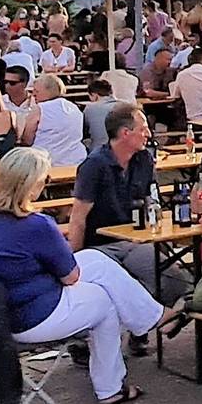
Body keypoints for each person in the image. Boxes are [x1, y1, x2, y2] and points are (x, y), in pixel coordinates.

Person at [0, 146, 172, 404]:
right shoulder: (35, 225)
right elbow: (70, 277)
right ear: (30, 186)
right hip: (26, 316)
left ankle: (150, 317)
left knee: (97, 261)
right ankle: (110, 387)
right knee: (104, 301)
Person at [67, 103, 172, 300]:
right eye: (143, 129)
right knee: (137, 282)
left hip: (137, 239)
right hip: (103, 245)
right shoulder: (94, 165)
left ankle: (154, 316)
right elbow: (78, 217)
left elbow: (153, 199)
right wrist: (76, 259)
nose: (148, 134)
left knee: (172, 280)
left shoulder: (144, 159)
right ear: (125, 133)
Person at [21, 72, 87, 168]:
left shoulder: (40, 109)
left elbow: (27, 139)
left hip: (46, 162)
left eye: (36, 91)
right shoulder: (74, 108)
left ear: (48, 91)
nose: (33, 94)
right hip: (76, 160)